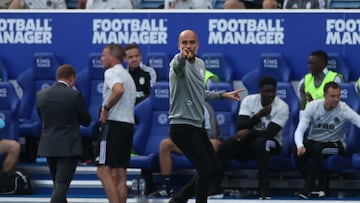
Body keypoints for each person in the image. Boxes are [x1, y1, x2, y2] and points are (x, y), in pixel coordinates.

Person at [168, 29, 242, 203]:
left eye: (191, 42)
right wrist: (181, 57)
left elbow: (200, 93)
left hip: (197, 126)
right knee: (204, 168)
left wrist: (223, 95)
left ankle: (179, 199)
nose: (188, 46)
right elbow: (178, 65)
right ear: (179, 46)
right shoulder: (177, 63)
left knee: (214, 167)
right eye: (184, 43)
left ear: (198, 45)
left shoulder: (201, 64)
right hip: (182, 127)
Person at [213, 76, 289, 199]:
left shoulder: (282, 107)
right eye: (267, 91)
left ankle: (264, 190)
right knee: (227, 145)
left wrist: (248, 132)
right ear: (260, 91)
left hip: (273, 145)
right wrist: (259, 115)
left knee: (261, 143)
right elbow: (240, 125)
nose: (270, 95)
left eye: (273, 91)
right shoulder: (249, 101)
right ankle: (215, 188)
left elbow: (269, 133)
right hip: (250, 143)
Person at [294, 81, 360, 199]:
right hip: (314, 141)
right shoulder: (313, 106)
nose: (336, 99)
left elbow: (358, 121)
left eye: (338, 96)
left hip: (335, 145)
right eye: (333, 96)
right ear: (325, 95)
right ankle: (314, 186)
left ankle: (308, 188)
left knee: (318, 148)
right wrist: (300, 146)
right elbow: (299, 131)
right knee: (297, 150)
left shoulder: (343, 109)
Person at [36, 64, 91, 203]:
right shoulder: (74, 95)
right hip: (68, 147)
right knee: (61, 186)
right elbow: (86, 121)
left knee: (58, 186)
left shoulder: (41, 95)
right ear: (72, 79)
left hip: (49, 145)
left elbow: (42, 118)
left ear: (57, 77)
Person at [150, 102, 223, 197]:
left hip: (204, 142)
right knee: (165, 144)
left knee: (215, 144)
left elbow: (211, 133)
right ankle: (166, 187)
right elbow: (174, 132)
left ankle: (209, 186)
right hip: (188, 143)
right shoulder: (179, 107)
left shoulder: (205, 107)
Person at [95, 44, 136, 203]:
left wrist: (105, 108)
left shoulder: (111, 72)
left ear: (113, 57)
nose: (101, 58)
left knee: (103, 171)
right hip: (128, 126)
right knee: (120, 174)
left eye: (104, 55)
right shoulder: (128, 76)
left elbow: (118, 90)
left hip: (113, 125)